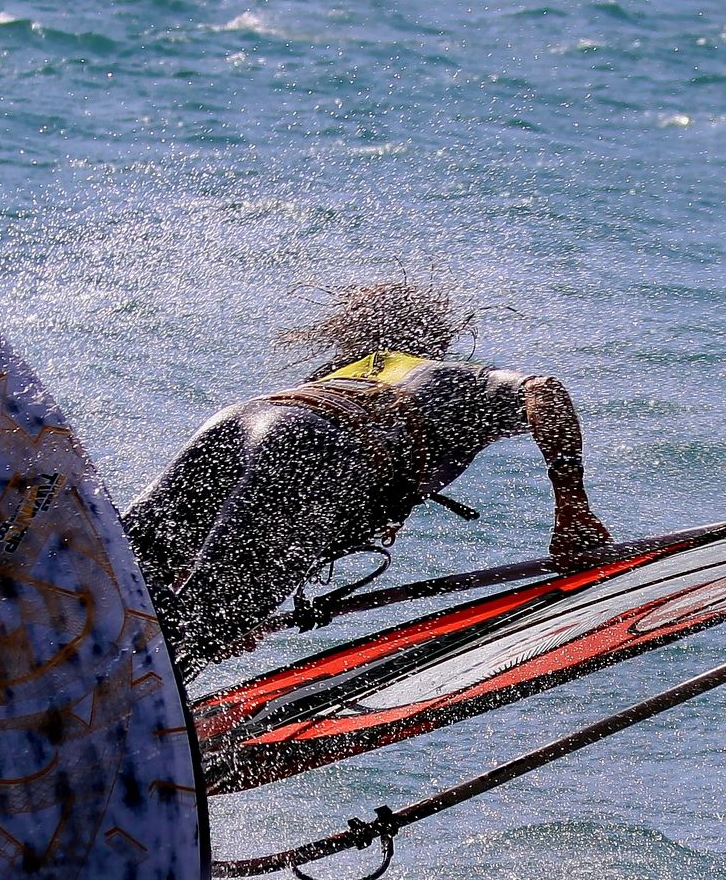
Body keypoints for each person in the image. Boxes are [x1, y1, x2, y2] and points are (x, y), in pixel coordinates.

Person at [122, 281, 613, 678]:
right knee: (214, 618)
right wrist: (571, 505)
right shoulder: (458, 380)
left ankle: (63, 652)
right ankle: (117, 719)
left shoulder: (351, 370)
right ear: (435, 342)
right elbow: (545, 391)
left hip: (237, 422)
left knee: (128, 568)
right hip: (312, 443)